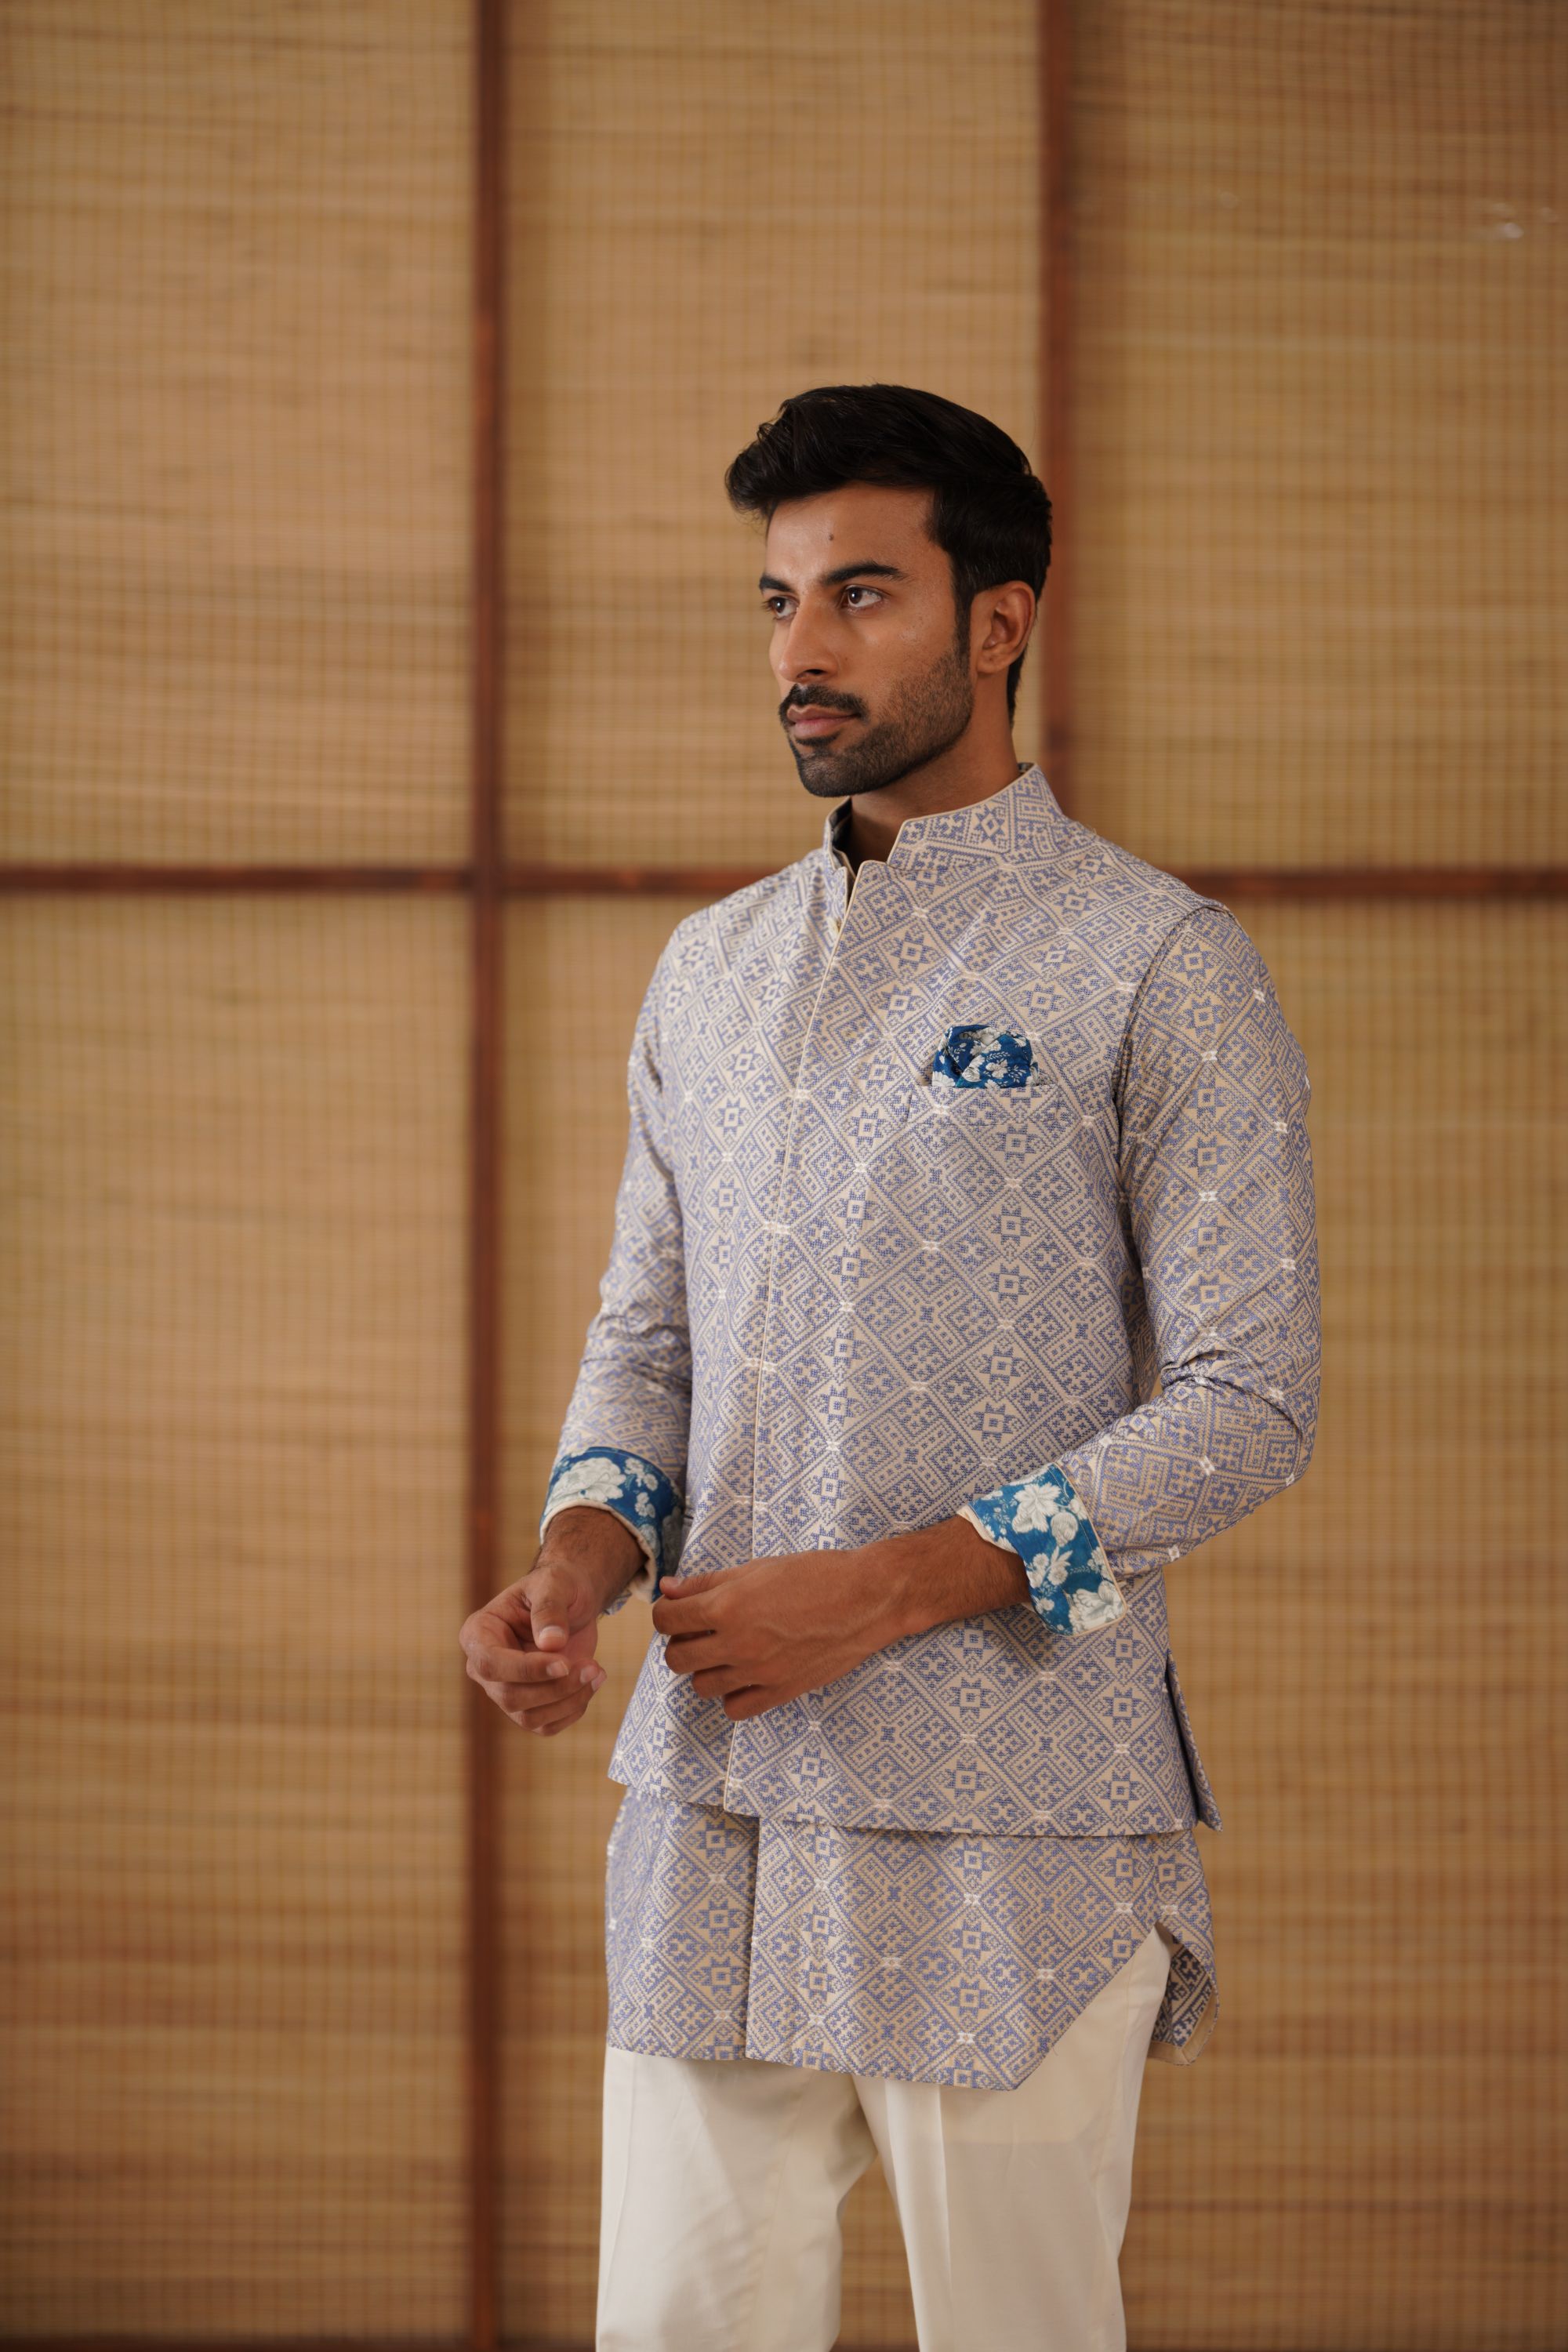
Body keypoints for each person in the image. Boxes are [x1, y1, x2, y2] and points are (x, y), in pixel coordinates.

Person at [459, 383, 1320, 2351]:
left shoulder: (1151, 961)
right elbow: (649, 1339)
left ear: (996, 622)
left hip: (1015, 1820)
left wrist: (879, 1591)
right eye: (778, 602)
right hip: (718, 1803)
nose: (803, 649)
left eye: (860, 593)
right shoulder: (711, 968)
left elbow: (1248, 1397)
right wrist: (576, 1568)